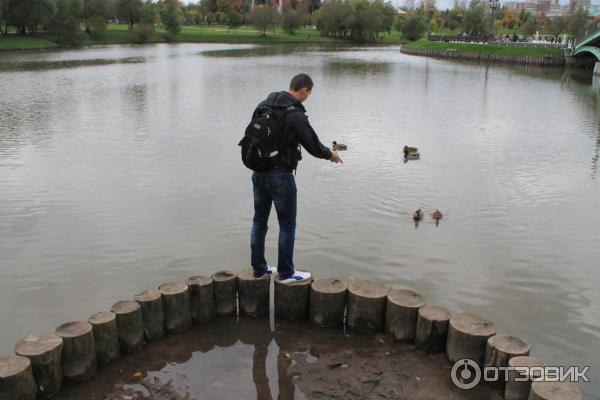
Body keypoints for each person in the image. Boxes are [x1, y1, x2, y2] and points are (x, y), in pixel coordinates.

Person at [248, 73, 343, 283]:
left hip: (258, 173)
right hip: (281, 176)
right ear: (303, 89)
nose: (308, 97)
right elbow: (312, 144)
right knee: (287, 226)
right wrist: (330, 154)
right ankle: (286, 273)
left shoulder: (264, 104)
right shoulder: (294, 114)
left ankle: (259, 270)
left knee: (258, 223)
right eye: (309, 93)